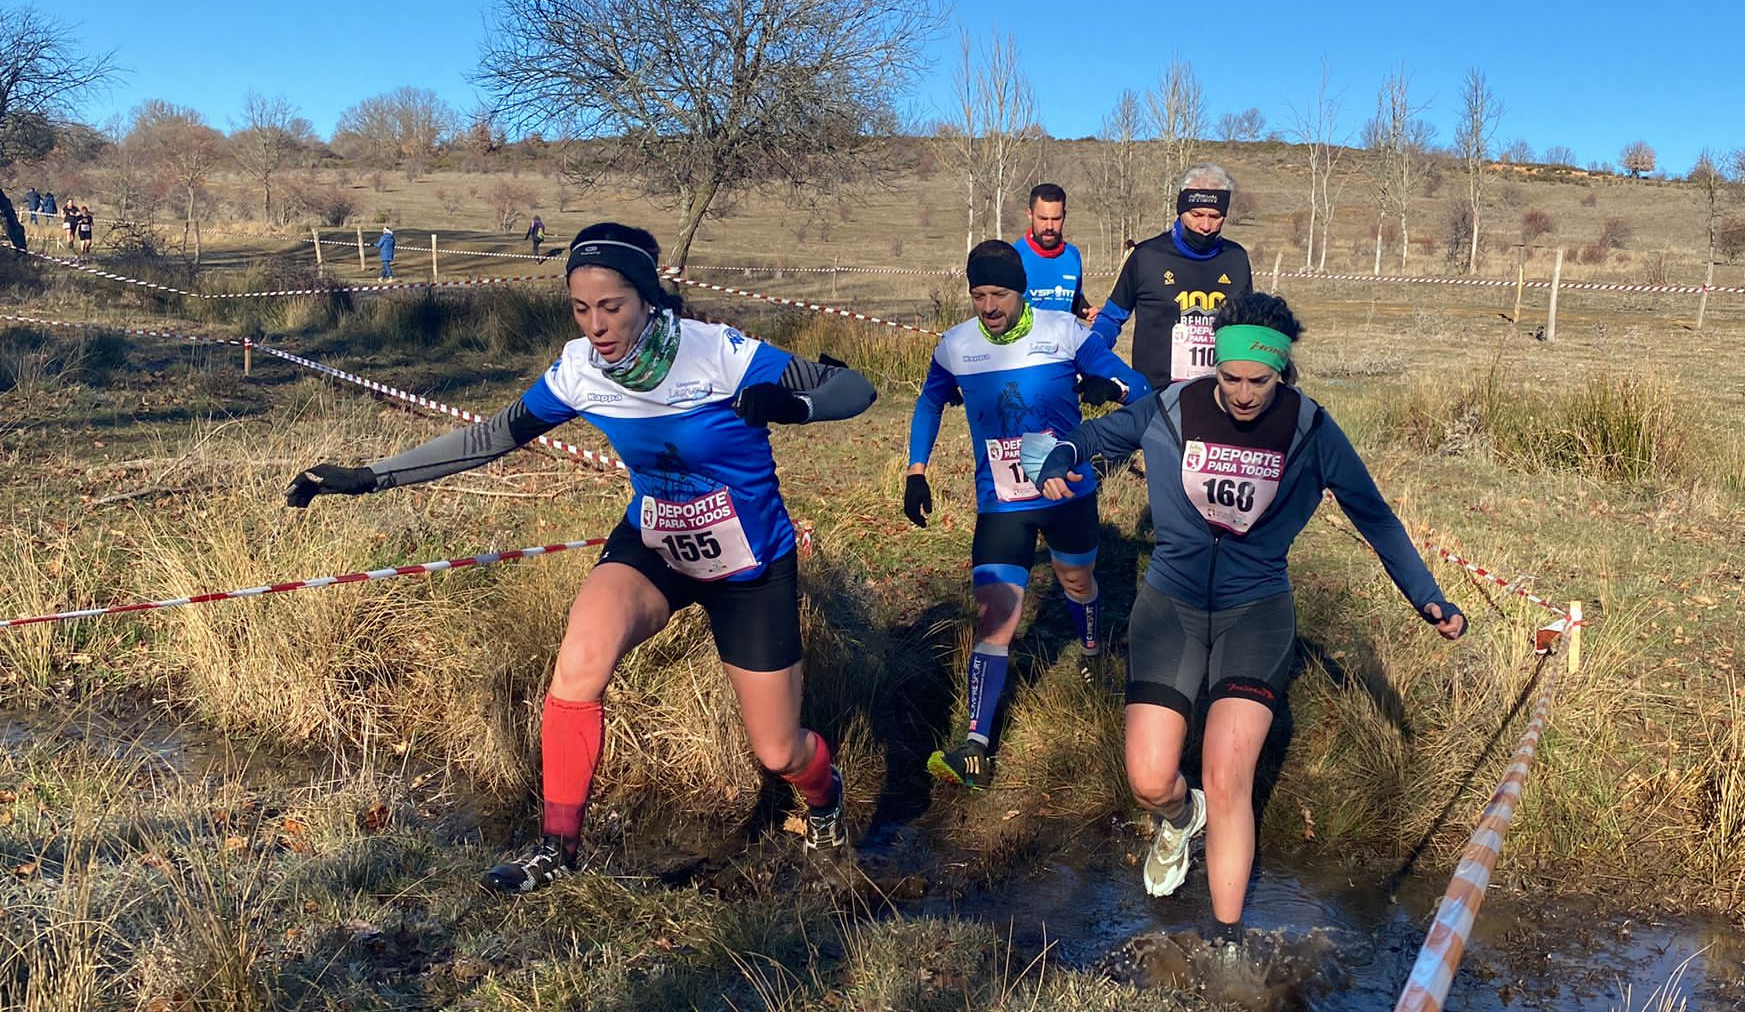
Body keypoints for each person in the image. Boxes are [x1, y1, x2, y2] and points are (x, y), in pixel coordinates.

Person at [284, 222, 879, 892]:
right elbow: (493, 436)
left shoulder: (715, 353)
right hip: (655, 545)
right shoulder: (580, 371)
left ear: (648, 299)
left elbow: (854, 390)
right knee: (581, 657)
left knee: (779, 749)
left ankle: (825, 801)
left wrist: (792, 405)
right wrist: (372, 476)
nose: (596, 324)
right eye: (581, 308)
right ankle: (555, 849)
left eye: (612, 306)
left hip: (749, 567)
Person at [1031, 292, 1465, 949]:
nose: (1240, 394)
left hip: (1256, 612)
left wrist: (1426, 595)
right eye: (1229, 378)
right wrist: (1062, 460)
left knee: (1228, 777)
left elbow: (1373, 514)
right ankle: (1180, 821)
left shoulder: (1310, 429)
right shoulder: (1174, 408)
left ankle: (1226, 943)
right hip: (1169, 608)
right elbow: (1093, 436)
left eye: (1257, 382)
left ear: (1282, 374)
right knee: (1151, 779)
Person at [905, 240, 1148, 789]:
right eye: (978, 295)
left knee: (1076, 579)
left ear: (1022, 292)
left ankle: (1090, 649)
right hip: (1001, 502)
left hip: (1067, 492)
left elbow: (1134, 386)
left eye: (999, 294)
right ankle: (976, 742)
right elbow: (929, 400)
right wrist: (916, 470)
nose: (988, 307)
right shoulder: (956, 346)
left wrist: (1120, 390)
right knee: (996, 619)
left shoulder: (1062, 333)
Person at [1083, 165, 1254, 391]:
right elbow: (1111, 319)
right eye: (1196, 215)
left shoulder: (1236, 259)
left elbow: (1249, 330)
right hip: (1156, 397)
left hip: (1219, 398)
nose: (1205, 226)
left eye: (1215, 217)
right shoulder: (1146, 256)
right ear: (1180, 210)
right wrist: (1089, 356)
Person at [1011, 183, 1090, 319]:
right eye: (1042, 218)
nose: (1049, 226)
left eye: (1056, 219)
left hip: (1064, 340)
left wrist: (1088, 311)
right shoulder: (1013, 257)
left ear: (1064, 216)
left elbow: (1074, 300)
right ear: (1030, 215)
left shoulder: (1072, 256)